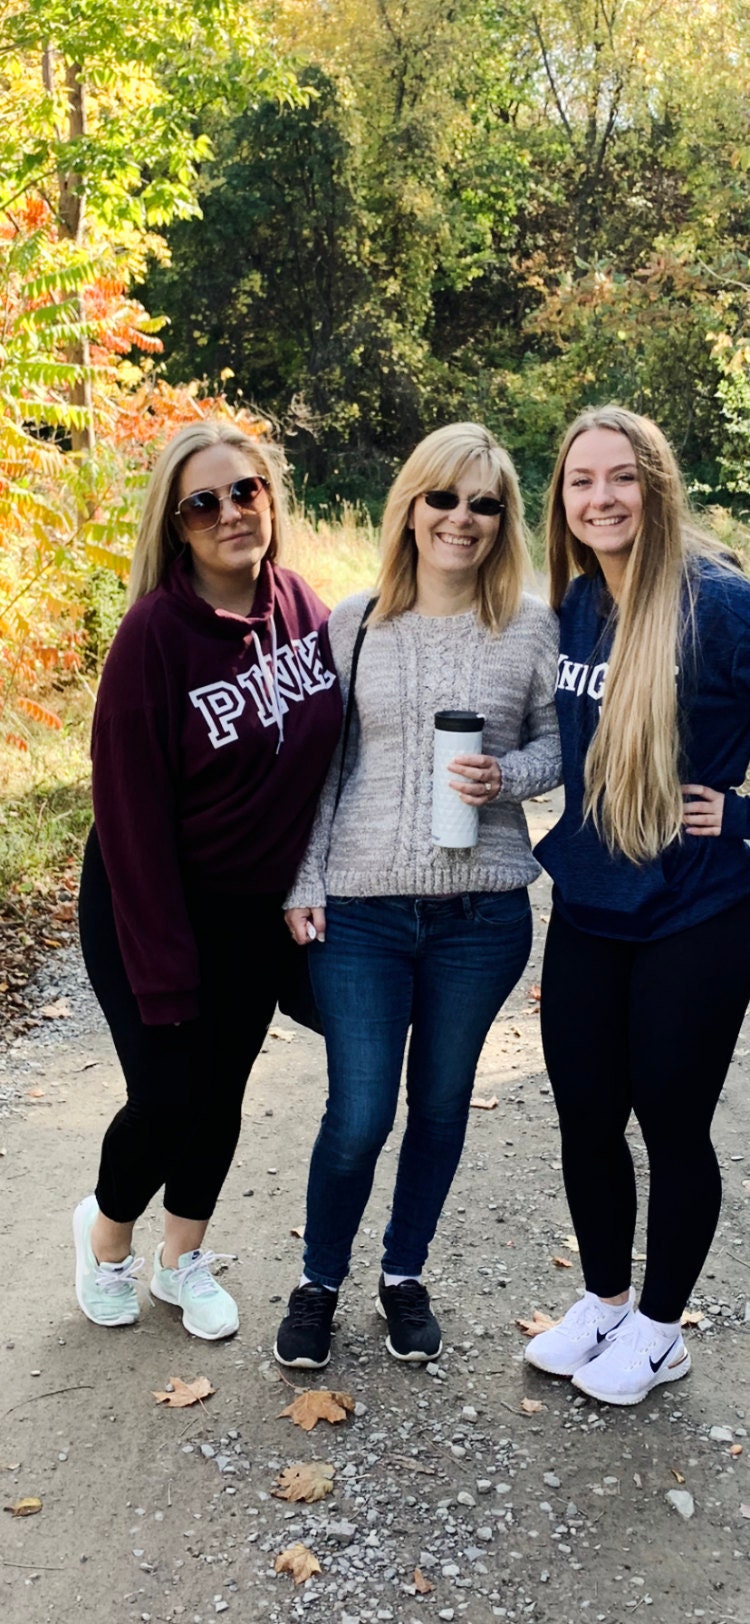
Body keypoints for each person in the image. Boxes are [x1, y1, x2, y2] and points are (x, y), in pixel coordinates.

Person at [273, 421, 561, 1369]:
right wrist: (304, 878)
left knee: (439, 1105)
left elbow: (568, 745)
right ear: (411, 504)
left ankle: (403, 1276)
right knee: (359, 1114)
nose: (463, 519)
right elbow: (322, 766)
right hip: (362, 912)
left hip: (481, 914)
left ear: (504, 519)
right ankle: (318, 1281)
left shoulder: (530, 624)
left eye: (485, 503)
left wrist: (508, 776)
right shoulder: (353, 622)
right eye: (444, 497)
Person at [74, 420, 342, 1339]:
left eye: (246, 491)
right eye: (204, 502)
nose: (231, 512)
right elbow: (130, 820)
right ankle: (105, 1240)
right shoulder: (154, 635)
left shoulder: (303, 603)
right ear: (176, 525)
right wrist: (164, 968)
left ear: (270, 497)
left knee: (222, 1089)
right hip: (149, 904)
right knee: (167, 1092)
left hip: (251, 913)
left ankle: (180, 1259)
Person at [525, 405, 750, 1405]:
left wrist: (741, 816)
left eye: (621, 478)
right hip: (588, 906)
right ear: (562, 499)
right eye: (582, 481)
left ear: (655, 488)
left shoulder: (720, 604)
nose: (601, 497)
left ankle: (663, 1330)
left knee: (670, 1119)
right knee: (583, 1115)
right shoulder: (575, 603)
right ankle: (608, 1301)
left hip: (696, 912)